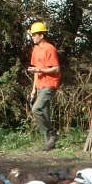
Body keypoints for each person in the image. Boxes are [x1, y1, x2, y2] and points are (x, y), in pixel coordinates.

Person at [28, 21, 61, 151]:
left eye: (34, 35)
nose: (32, 37)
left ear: (41, 35)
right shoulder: (36, 50)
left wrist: (40, 71)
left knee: (36, 109)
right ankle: (49, 144)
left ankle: (52, 134)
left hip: (50, 84)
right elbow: (36, 70)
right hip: (40, 85)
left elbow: (56, 69)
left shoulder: (50, 49)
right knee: (45, 114)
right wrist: (33, 89)